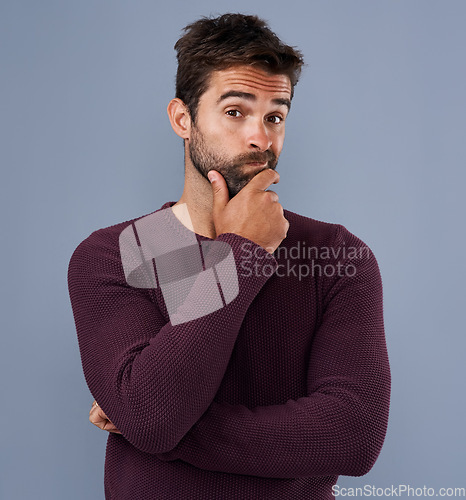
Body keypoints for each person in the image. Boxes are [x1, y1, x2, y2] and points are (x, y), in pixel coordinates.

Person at [68, 13, 391, 500]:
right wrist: (245, 253)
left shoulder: (337, 257)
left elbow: (353, 435)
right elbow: (153, 417)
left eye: (275, 116)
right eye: (235, 112)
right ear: (183, 119)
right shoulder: (113, 256)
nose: (260, 138)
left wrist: (158, 428)